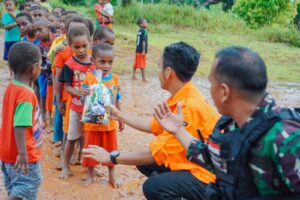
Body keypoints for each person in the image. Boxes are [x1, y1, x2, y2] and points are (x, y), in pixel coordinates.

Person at [152, 46, 300, 199]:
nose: (210, 91)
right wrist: (178, 130)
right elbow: (213, 158)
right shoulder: (231, 124)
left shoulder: (285, 137)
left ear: (224, 92)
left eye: (211, 84)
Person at [83, 42, 219, 200]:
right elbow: (152, 126)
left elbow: (154, 154)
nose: (157, 70)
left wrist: (111, 157)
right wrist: (120, 115)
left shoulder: (189, 108)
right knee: (143, 162)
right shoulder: (183, 94)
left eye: (158, 65)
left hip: (210, 177)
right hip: (198, 161)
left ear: (168, 72)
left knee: (153, 187)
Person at [0, 41, 43, 200]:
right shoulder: (26, 94)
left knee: (15, 188)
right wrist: (23, 154)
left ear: (11, 68)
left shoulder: (13, 87)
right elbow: (20, 125)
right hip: (23, 157)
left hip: (7, 154)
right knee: (27, 186)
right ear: (34, 68)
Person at [81, 44, 123, 187]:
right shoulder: (88, 78)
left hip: (110, 123)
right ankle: (90, 174)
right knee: (91, 149)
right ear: (93, 60)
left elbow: (117, 98)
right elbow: (83, 101)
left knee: (112, 149)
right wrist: (83, 94)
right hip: (92, 123)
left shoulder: (115, 79)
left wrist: (121, 118)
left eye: (110, 62)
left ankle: (112, 174)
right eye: (102, 62)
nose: (106, 66)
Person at [59, 26, 95, 181]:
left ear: (90, 42)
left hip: (92, 110)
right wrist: (76, 91)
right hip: (75, 108)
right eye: (77, 47)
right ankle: (65, 166)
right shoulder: (69, 64)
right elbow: (66, 86)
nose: (81, 50)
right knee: (72, 138)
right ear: (70, 46)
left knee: (89, 139)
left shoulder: (95, 61)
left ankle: (90, 167)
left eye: (84, 46)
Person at [34, 18, 56, 128]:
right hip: (44, 74)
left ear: (48, 28)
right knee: (43, 96)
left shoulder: (57, 42)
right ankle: (43, 117)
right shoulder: (39, 46)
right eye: (35, 31)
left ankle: (52, 122)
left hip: (55, 75)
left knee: (53, 98)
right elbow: (40, 61)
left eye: (39, 30)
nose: (37, 33)